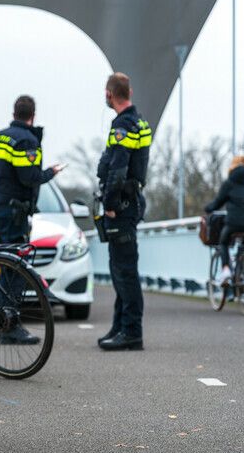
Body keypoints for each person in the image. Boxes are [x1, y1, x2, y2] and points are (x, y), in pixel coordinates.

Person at [0, 95, 63, 344]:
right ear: (33, 115)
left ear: (14, 112)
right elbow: (29, 177)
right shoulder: (27, 140)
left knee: (6, 266)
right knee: (16, 269)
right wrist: (51, 172)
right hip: (15, 212)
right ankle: (10, 326)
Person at [96, 72, 151, 351]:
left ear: (110, 94)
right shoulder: (138, 121)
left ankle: (131, 332)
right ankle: (120, 326)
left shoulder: (123, 125)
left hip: (122, 207)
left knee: (125, 271)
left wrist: (109, 204)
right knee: (120, 269)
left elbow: (117, 169)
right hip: (130, 203)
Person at [204, 155, 244, 285]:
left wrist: (208, 209)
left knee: (224, 242)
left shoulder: (229, 183)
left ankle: (226, 271)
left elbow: (217, 203)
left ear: (233, 166)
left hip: (233, 223)